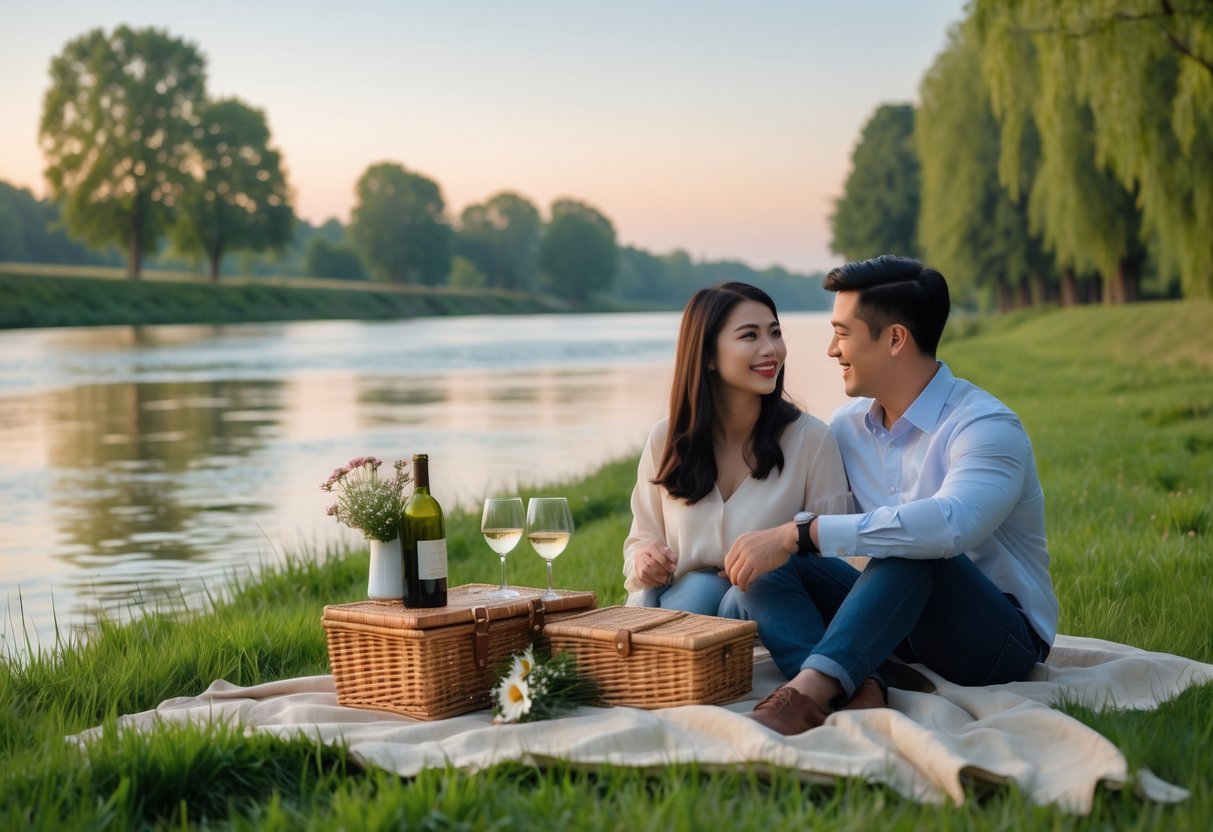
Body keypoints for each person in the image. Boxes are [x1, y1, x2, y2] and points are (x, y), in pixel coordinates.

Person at [719, 255, 1058, 735]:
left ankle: (810, 693)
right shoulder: (845, 428)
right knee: (774, 567)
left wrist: (803, 532)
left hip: (996, 641)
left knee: (917, 542)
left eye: (842, 332)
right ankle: (862, 688)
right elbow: (795, 535)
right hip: (896, 625)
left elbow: (949, 525)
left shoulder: (985, 426)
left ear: (895, 338)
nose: (831, 350)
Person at [622, 282, 850, 615]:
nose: (770, 348)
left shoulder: (813, 441)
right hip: (683, 618)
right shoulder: (665, 440)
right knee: (700, 588)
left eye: (775, 333)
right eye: (750, 336)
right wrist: (644, 561)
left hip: (774, 622)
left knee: (731, 593)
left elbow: (834, 556)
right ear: (709, 356)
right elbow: (640, 540)